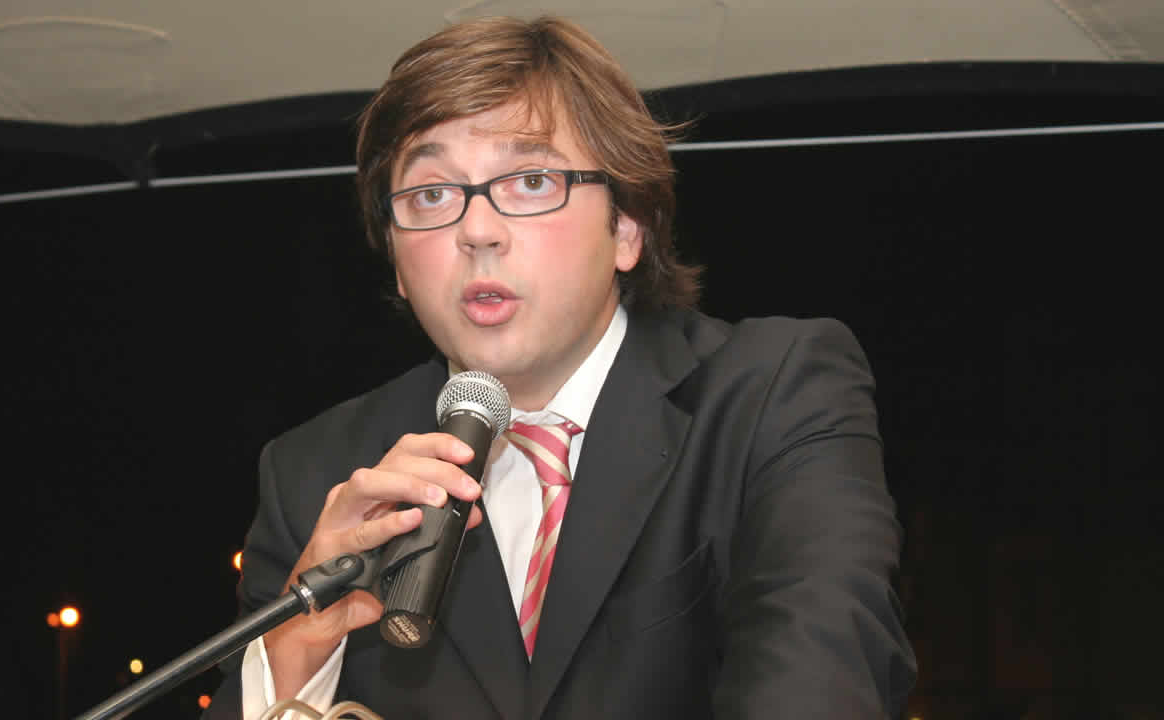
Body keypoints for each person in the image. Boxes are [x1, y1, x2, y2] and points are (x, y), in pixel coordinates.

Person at [205, 15, 916, 719]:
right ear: (395, 258)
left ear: (628, 227)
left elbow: (822, 674)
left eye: (531, 180)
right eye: (431, 194)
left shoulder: (772, 394)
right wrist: (296, 653)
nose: (477, 230)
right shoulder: (317, 477)